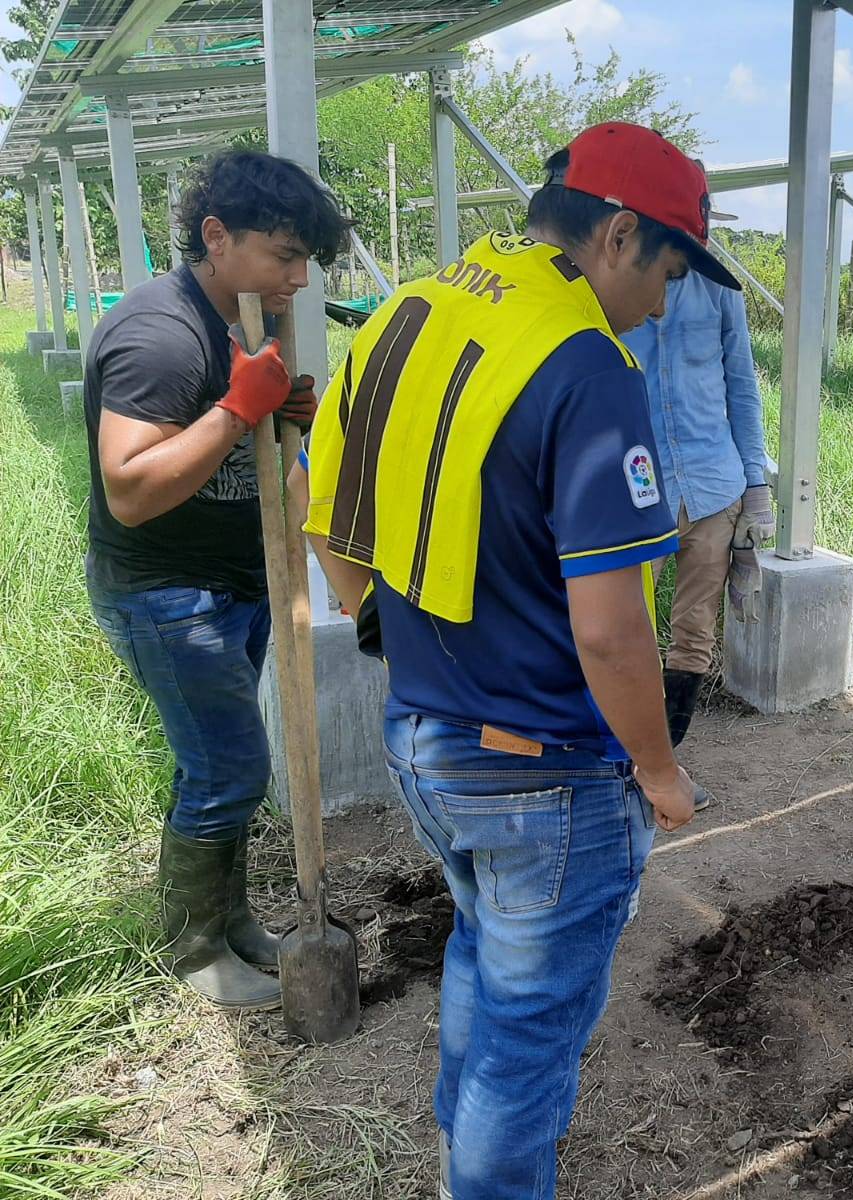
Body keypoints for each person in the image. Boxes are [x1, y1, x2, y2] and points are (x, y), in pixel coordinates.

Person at [301, 123, 738, 1200]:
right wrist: (660, 769)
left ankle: (461, 1167)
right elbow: (609, 627)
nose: (668, 303)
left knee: (482, 960)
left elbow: (324, 509)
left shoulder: (410, 308)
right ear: (621, 236)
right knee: (530, 1044)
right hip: (544, 771)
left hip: (425, 741)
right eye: (671, 272)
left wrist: (383, 636)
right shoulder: (586, 362)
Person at [81, 150, 347, 1012]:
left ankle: (230, 927)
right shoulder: (161, 334)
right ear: (216, 235)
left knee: (215, 767)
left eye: (307, 259)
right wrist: (239, 409)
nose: (299, 279)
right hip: (166, 591)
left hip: (234, 583)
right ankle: (196, 952)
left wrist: (274, 417)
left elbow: (244, 446)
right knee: (231, 767)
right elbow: (129, 491)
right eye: (284, 255)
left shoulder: (246, 316)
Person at [620, 179, 771, 760]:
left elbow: (742, 383)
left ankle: (664, 759)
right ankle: (624, 758)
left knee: (693, 633)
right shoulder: (615, 284)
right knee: (623, 624)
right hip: (637, 487)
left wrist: (756, 486)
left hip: (714, 484)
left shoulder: (718, 286)